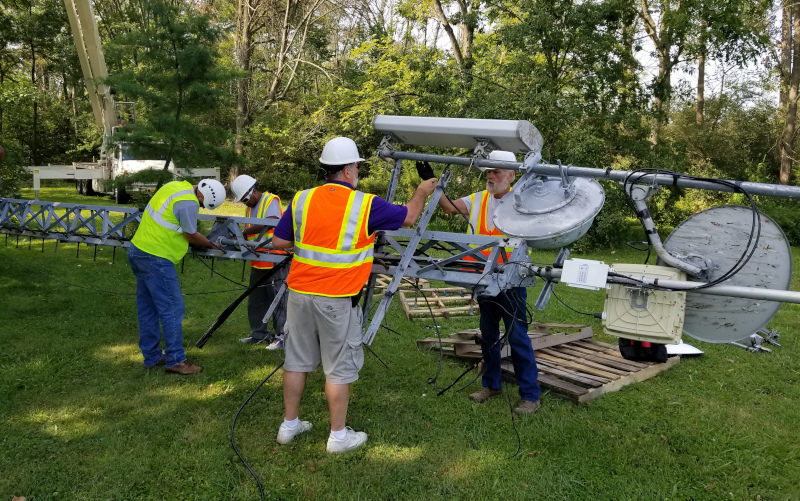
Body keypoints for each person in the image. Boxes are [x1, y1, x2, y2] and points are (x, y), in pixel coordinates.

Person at [271, 137, 438, 453]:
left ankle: (289, 426)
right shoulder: (365, 204)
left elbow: (281, 243)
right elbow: (409, 217)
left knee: (295, 362)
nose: (357, 171)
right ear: (348, 170)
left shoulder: (302, 199)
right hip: (336, 299)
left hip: (299, 295)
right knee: (338, 368)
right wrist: (421, 192)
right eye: (357, 166)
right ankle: (338, 437)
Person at [437, 150, 541, 415]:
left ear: (511, 175)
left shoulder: (522, 203)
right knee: (489, 335)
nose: (491, 177)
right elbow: (449, 207)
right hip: (483, 278)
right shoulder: (478, 199)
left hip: (512, 280)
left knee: (517, 336)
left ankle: (530, 395)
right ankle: (491, 385)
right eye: (489, 172)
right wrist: (434, 185)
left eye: (496, 172)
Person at [128, 178, 226, 375]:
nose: (199, 206)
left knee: (148, 309)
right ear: (201, 196)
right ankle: (176, 359)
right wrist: (211, 244)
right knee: (172, 308)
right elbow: (190, 234)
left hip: (138, 250)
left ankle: (152, 356)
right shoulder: (189, 201)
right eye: (201, 203)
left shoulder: (175, 187)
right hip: (157, 256)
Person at [231, 174, 290, 350]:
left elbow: (271, 222)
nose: (244, 203)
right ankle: (259, 335)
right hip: (258, 259)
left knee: (278, 299)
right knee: (256, 300)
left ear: (254, 191)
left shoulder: (270, 200)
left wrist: (244, 231)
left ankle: (281, 337)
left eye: (245, 199)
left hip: (275, 260)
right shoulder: (251, 206)